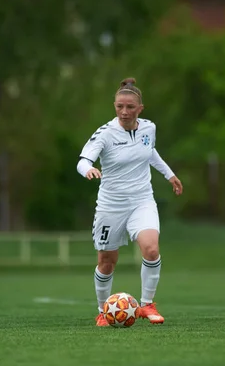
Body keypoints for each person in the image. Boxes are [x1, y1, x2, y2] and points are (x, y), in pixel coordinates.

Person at [76, 77, 183, 327]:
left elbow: (149, 151)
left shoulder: (149, 128)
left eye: (130, 107)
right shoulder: (105, 134)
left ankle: (147, 305)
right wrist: (88, 170)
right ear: (114, 106)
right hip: (111, 206)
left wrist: (169, 174)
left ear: (140, 109)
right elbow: (82, 160)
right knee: (107, 262)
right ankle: (104, 311)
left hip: (142, 200)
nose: (124, 112)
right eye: (119, 107)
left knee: (151, 249)